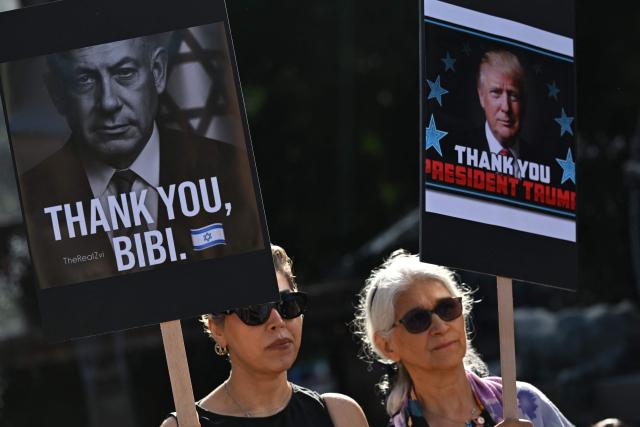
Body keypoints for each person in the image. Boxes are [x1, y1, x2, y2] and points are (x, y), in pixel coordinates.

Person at [20, 34, 262, 288]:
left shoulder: (228, 171)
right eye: (85, 80)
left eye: (124, 73)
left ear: (157, 72)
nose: (109, 102)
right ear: (57, 92)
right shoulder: (32, 198)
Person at [353, 250, 573, 427]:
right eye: (418, 319)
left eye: (447, 308)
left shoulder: (523, 402)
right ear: (387, 345)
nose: (440, 326)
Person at [161, 244, 369, 427]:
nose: (277, 321)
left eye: (288, 305)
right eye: (255, 310)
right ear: (217, 329)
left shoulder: (340, 416)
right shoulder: (184, 424)